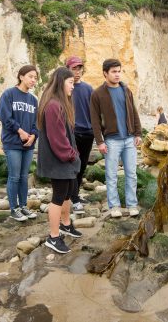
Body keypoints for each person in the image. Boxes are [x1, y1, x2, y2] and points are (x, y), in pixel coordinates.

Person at [37, 67, 83, 254]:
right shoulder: (54, 105)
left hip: (63, 159)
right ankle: (53, 237)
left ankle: (65, 224)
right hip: (58, 160)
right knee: (58, 197)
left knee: (68, 192)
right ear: (61, 82)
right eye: (71, 83)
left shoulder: (58, 103)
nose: (73, 86)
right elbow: (57, 139)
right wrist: (72, 155)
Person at [90, 59, 142, 218]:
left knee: (131, 174)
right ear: (105, 73)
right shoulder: (97, 93)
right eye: (114, 71)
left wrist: (138, 133)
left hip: (129, 139)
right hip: (111, 140)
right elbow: (95, 120)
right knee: (111, 175)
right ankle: (114, 207)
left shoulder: (126, 90)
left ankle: (132, 204)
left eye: (119, 71)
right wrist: (99, 141)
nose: (117, 74)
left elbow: (134, 112)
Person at [0, 65, 39, 222]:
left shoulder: (33, 100)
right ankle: (14, 209)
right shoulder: (9, 94)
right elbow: (4, 116)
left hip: (28, 145)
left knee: (23, 176)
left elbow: (37, 123)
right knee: (14, 176)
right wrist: (20, 131)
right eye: (30, 76)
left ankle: (23, 206)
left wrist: (34, 136)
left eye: (35, 78)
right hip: (12, 143)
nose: (33, 80)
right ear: (21, 76)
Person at [65, 56, 94, 214]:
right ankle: (74, 199)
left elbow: (94, 111)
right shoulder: (65, 89)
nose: (77, 72)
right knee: (73, 166)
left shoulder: (88, 88)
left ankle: (75, 194)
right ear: (67, 70)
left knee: (82, 166)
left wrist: (97, 131)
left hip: (88, 133)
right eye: (74, 69)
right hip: (73, 133)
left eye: (79, 68)